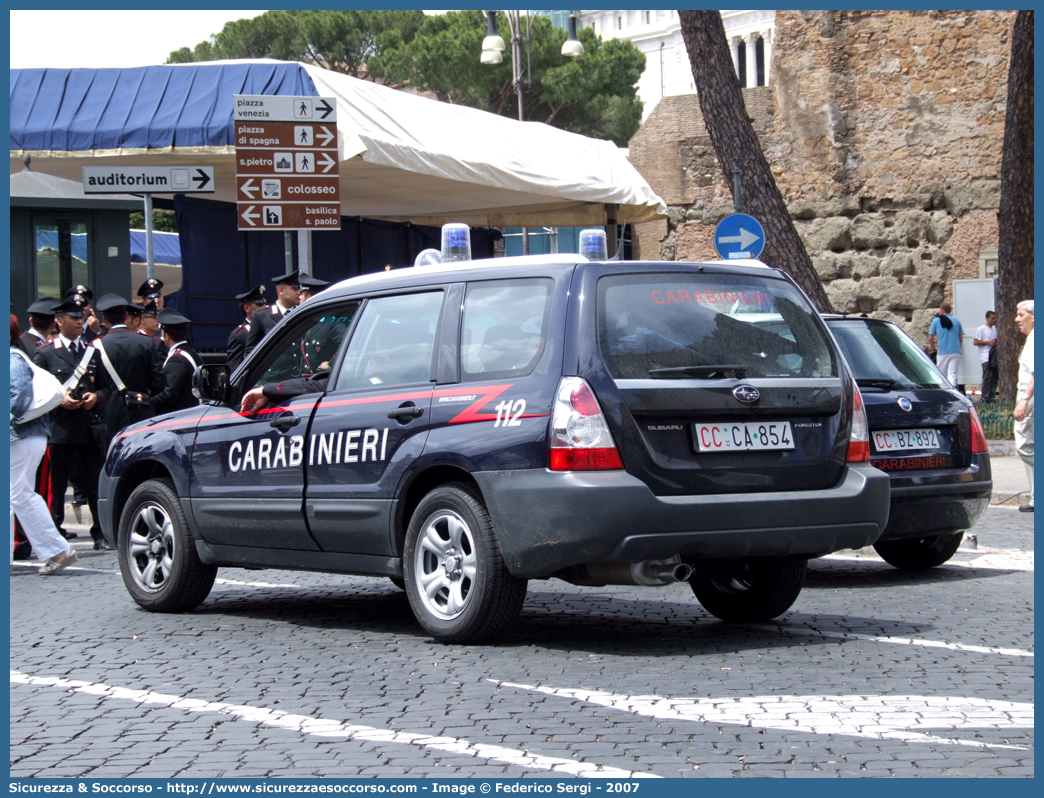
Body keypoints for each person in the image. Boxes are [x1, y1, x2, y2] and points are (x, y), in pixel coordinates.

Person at [31, 295, 109, 549]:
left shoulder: (92, 352)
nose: (80, 322)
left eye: (82, 318)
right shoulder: (45, 354)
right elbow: (35, 391)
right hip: (59, 429)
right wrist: (58, 400)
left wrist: (95, 397)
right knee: (56, 487)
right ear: (60, 321)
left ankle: (101, 533)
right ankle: (55, 533)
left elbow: (109, 388)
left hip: (88, 428)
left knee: (95, 484)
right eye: (75, 318)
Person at [10, 314, 78, 575]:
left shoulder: (12, 357)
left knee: (20, 494)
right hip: (24, 436)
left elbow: (18, 396)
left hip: (21, 435)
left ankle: (58, 550)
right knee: (15, 494)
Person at [90, 294, 166, 441]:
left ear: (104, 320)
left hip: (110, 415)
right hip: (142, 410)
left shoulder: (95, 346)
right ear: (126, 316)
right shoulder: (147, 343)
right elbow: (159, 383)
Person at [151, 308, 201, 414]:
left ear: (166, 336)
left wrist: (149, 403)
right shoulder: (192, 353)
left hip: (179, 416)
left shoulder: (177, 359)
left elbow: (168, 395)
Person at [244, 269, 302, 358]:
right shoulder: (262, 315)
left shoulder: (302, 312)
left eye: (299, 289)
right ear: (281, 291)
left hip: (299, 370)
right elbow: (251, 350)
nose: (299, 292)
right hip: (274, 370)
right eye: (294, 289)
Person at [1014, 300, 1034, 513]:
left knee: (1026, 445)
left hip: (1031, 396)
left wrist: (1025, 400)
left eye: (1021, 315)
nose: (1017, 319)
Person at [227, 284, 267, 372]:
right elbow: (235, 369)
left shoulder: (270, 326)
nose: (264, 308)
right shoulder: (239, 334)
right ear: (246, 308)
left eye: (264, 304)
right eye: (259, 305)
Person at [928, 302, 964, 388]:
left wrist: (933, 348)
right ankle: (953, 392)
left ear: (942, 310)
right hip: (955, 351)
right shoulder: (957, 321)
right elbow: (961, 338)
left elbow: (930, 338)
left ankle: (942, 393)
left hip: (943, 351)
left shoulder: (936, 321)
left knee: (941, 375)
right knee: (952, 374)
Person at [973, 310, 999, 403]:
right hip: (986, 356)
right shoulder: (981, 329)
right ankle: (984, 397)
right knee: (987, 377)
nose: (994, 320)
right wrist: (988, 342)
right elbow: (975, 342)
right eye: (992, 318)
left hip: (994, 356)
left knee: (994, 377)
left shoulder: (995, 329)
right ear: (987, 318)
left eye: (995, 318)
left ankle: (992, 396)